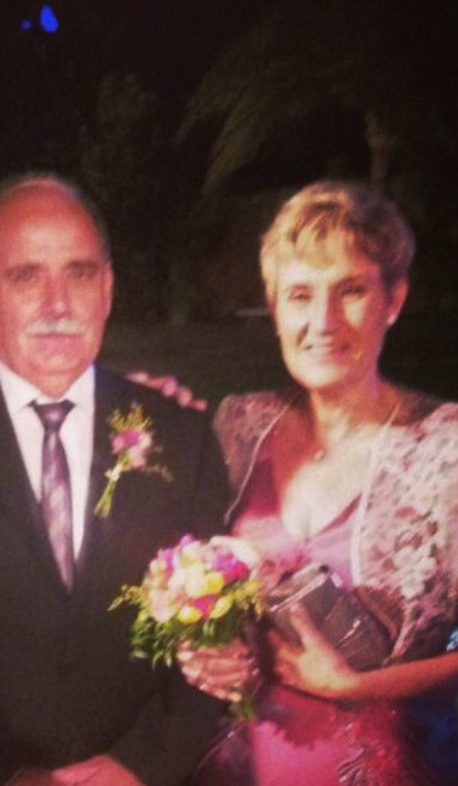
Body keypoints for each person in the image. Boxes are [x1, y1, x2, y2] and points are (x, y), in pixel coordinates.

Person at [0, 173, 229, 786]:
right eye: (26, 277)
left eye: (79, 274)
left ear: (107, 290)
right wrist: (4, 775)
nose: (57, 305)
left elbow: (218, 635)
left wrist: (142, 764)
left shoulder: (181, 437)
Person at [178, 181, 458, 786]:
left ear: (394, 300)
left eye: (351, 290)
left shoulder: (444, 448)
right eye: (300, 295)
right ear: (275, 308)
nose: (322, 321)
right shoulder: (240, 425)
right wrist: (206, 651)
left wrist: (358, 686)